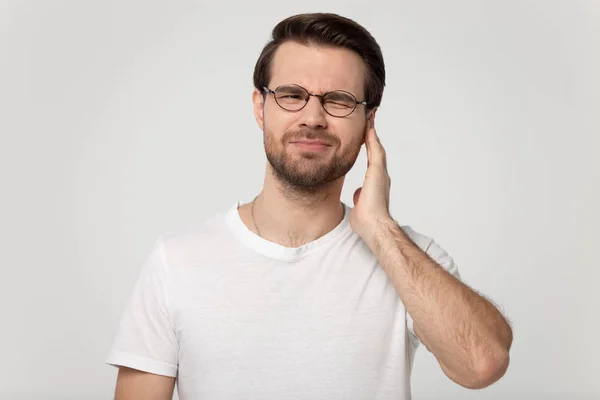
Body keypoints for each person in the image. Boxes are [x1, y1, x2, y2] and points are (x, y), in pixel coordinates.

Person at [105, 12, 513, 400]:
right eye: (291, 95)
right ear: (260, 107)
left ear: (369, 120)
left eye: (338, 100)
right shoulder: (176, 262)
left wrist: (379, 228)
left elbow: (482, 364)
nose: (313, 117)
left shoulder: (409, 258)